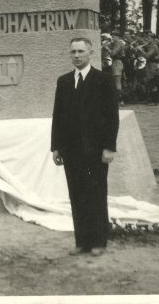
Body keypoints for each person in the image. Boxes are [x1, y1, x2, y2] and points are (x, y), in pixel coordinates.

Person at [51, 37, 119, 256]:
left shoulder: (103, 80)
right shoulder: (63, 82)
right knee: (77, 194)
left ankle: (98, 241)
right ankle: (82, 241)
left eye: (81, 51)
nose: (77, 55)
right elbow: (57, 117)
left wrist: (109, 147)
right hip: (71, 150)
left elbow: (112, 117)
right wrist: (56, 147)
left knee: (96, 194)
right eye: (73, 52)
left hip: (96, 150)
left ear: (90, 53)